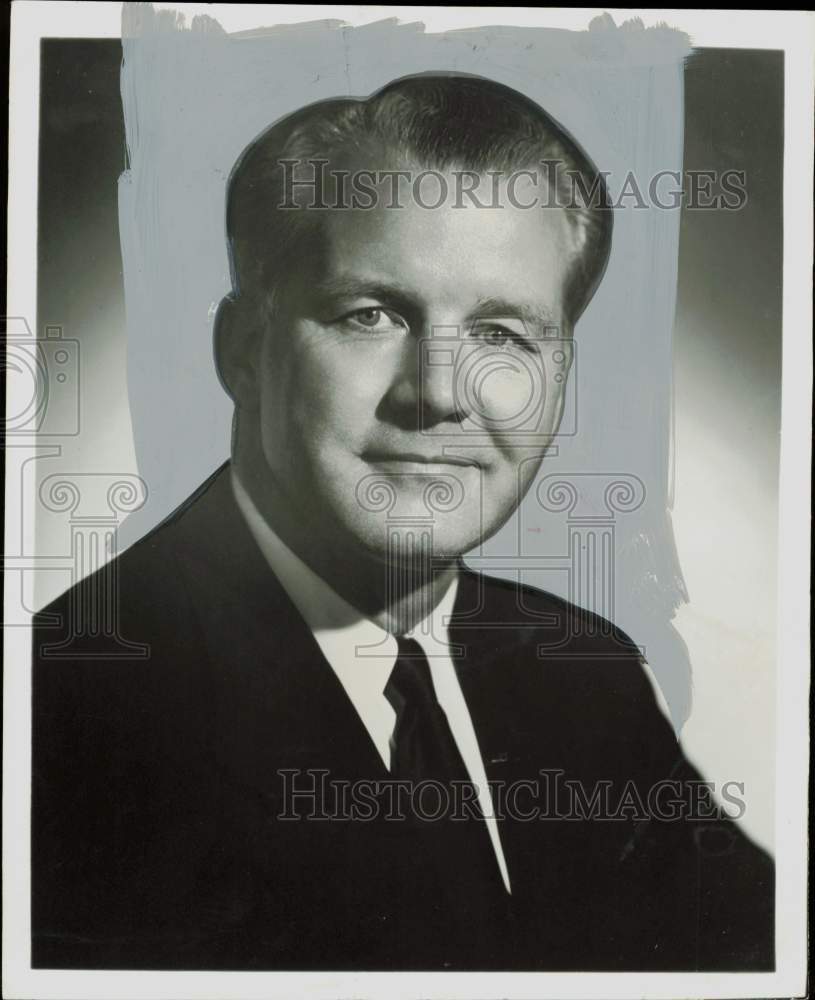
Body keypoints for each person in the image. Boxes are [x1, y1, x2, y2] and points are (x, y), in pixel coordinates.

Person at [31, 73, 774, 972]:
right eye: (371, 314)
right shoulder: (64, 712)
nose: (436, 393)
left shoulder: (586, 672)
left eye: (503, 335)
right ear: (244, 352)